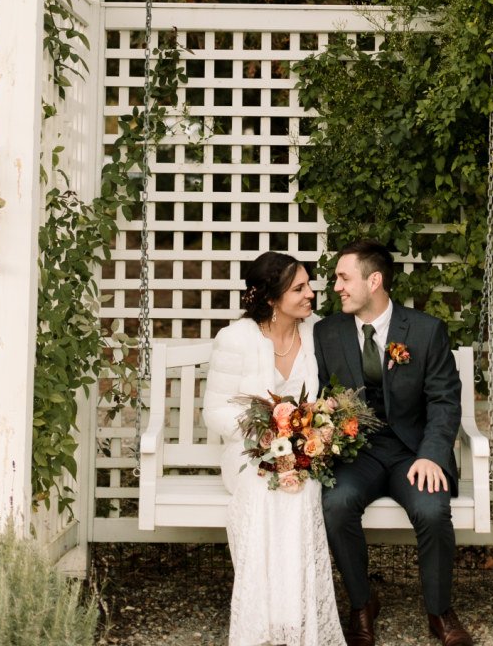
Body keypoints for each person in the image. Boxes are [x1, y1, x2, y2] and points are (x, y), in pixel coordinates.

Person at [314, 239, 474, 646]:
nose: (337, 287)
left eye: (344, 278)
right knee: (335, 504)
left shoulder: (424, 331)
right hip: (357, 453)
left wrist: (433, 456)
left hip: (411, 453)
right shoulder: (327, 333)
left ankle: (439, 611)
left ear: (375, 280)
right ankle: (362, 604)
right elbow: (315, 393)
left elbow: (443, 400)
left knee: (432, 509)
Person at [202, 251, 347, 646]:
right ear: (270, 298)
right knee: (266, 491)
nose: (311, 294)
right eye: (299, 288)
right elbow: (213, 412)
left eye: (309, 285)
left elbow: (332, 397)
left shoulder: (318, 333)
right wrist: (266, 431)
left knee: (303, 490)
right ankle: (262, 624)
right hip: (249, 455)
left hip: (305, 451)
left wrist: (311, 430)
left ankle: (297, 621)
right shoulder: (236, 339)